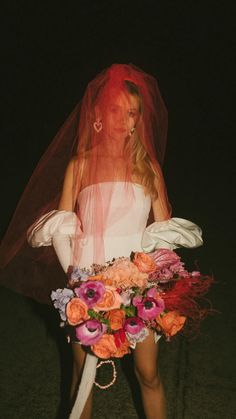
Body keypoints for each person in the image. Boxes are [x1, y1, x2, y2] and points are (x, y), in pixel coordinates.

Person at [0, 64, 203, 419]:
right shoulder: (79, 165)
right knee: (81, 380)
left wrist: (158, 279)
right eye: (115, 110)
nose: (124, 120)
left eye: (132, 113)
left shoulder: (147, 168)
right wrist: (78, 283)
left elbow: (163, 230)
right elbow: (64, 226)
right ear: (97, 114)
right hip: (89, 287)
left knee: (149, 374)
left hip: (140, 288)